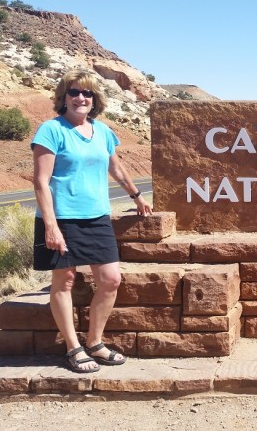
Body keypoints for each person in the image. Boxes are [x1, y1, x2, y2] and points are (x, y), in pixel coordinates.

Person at [31, 69, 152, 373]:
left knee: (111, 280)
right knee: (64, 281)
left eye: (87, 93)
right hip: (62, 217)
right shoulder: (51, 130)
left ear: (95, 99)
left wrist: (137, 196)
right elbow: (41, 182)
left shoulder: (103, 132)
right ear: (64, 97)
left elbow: (117, 169)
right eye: (74, 92)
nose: (80, 98)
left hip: (96, 216)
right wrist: (51, 226)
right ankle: (73, 348)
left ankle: (95, 343)